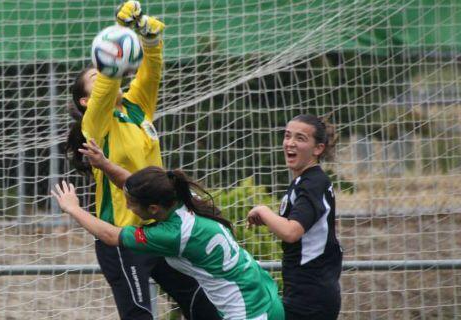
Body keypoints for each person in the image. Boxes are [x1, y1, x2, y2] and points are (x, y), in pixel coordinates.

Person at [65, 2, 219, 319]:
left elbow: (151, 72)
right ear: (85, 100)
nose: (104, 76)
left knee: (204, 307)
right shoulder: (94, 123)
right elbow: (108, 85)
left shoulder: (136, 109)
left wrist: (148, 39)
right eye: (95, 75)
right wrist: (119, 36)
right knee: (139, 314)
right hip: (122, 237)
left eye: (102, 70)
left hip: (159, 228)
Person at [52, 140, 284, 320]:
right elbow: (134, 184)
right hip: (264, 295)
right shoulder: (183, 198)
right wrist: (105, 164)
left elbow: (111, 236)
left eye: (130, 203)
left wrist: (74, 209)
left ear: (152, 208)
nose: (126, 206)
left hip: (249, 312)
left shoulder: (171, 234)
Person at [246, 115, 342, 320]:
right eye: (287, 136)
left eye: (300, 138)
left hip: (311, 297)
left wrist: (263, 211)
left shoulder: (312, 183)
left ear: (318, 148)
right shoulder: (306, 182)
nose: (290, 143)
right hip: (305, 293)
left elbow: (292, 232)